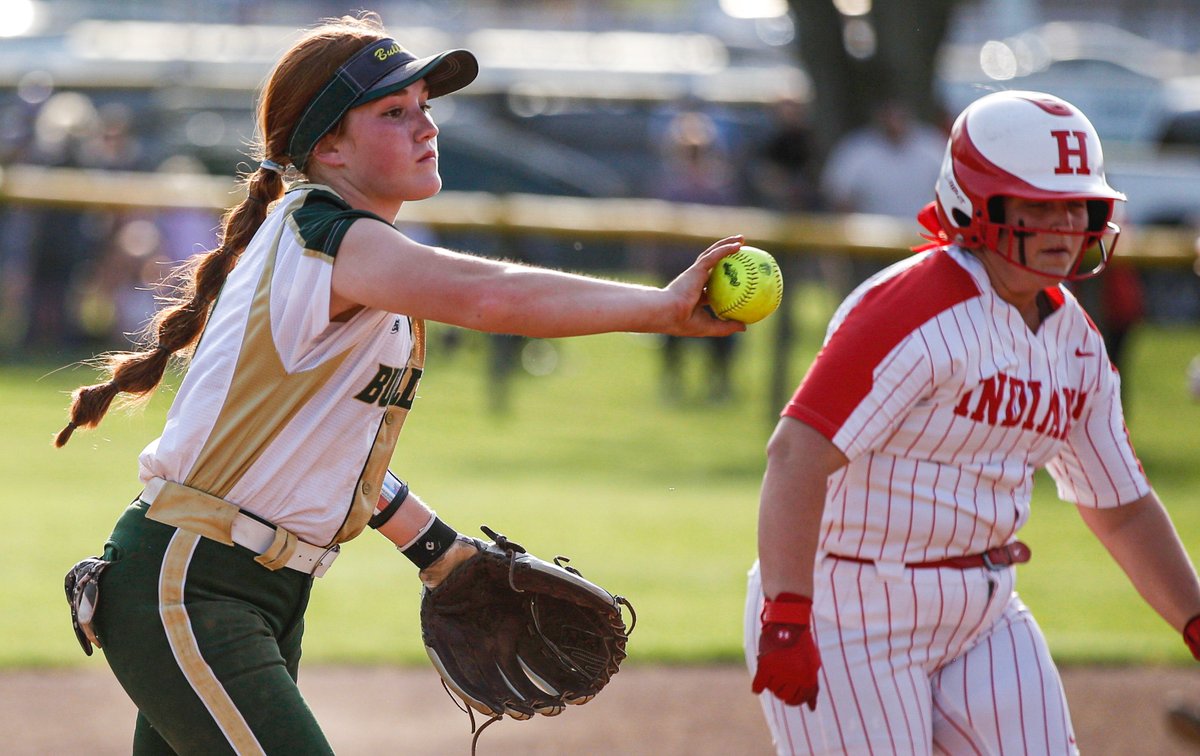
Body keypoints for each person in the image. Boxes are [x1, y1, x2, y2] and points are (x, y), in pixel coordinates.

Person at [55, 14, 745, 754]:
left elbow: (322, 446)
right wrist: (660, 308)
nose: (426, 126)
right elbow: (490, 297)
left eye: (425, 106)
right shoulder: (328, 236)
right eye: (393, 112)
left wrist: (435, 548)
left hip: (244, 590)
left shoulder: (344, 257)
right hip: (192, 585)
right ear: (329, 147)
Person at [743, 89, 1200, 755]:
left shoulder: (1075, 341)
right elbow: (796, 453)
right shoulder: (911, 306)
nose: (1065, 223)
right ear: (976, 206)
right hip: (851, 606)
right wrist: (786, 614)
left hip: (985, 611)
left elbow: (1122, 507)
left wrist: (1193, 620)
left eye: (1078, 204)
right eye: (1040, 205)